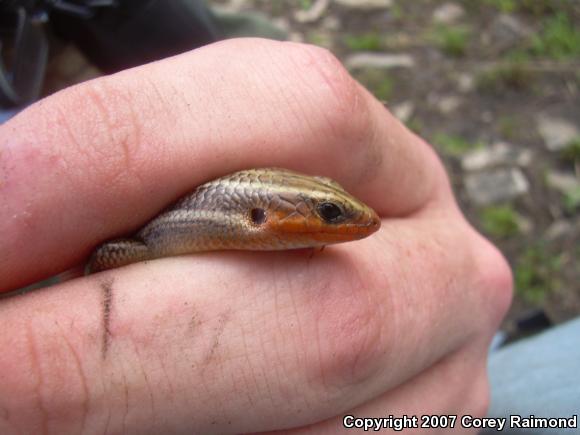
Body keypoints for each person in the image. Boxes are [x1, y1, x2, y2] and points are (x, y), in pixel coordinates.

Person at [0, 38, 512, 434]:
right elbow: (108, 256)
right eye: (330, 214)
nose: (359, 225)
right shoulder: (136, 249)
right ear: (261, 217)